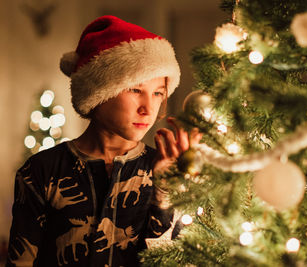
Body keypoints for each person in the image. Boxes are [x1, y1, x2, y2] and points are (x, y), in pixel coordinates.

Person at [6, 15, 200, 267]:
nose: (148, 108)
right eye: (135, 90)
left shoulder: (163, 170)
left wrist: (163, 195)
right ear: (99, 92)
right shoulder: (41, 171)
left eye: (158, 94)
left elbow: (168, 261)